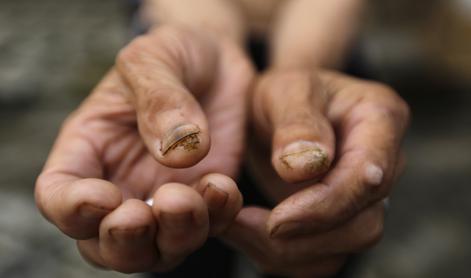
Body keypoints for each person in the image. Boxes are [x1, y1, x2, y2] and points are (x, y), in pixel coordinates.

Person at [35, 0, 410, 277]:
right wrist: (203, 36)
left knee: (322, 235)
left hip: (322, 54)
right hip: (183, 43)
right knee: (181, 238)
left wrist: (299, 77)